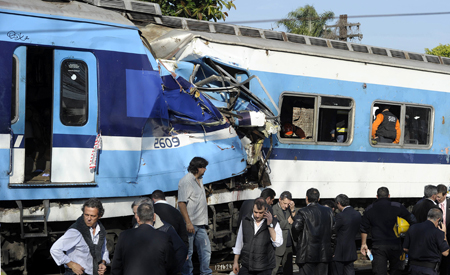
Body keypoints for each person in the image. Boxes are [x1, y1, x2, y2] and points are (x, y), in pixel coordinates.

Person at [360, 187, 417, 275]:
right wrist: (409, 240)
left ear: (377, 197)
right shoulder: (397, 206)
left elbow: (364, 228)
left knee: (379, 272)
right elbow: (413, 221)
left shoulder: (369, 209)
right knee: (396, 271)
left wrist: (363, 244)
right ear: (389, 196)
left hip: (378, 246)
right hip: (395, 244)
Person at [111, 203, 175, 275]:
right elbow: (170, 265)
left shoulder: (124, 236)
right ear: (154, 217)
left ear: (137, 218)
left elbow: (116, 266)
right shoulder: (164, 237)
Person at [50, 198, 109, 275]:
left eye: (93, 216)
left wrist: (103, 263)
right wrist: (71, 264)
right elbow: (55, 249)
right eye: (86, 215)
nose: (88, 218)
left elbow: (104, 250)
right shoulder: (75, 231)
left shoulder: (101, 230)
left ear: (100, 216)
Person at [131, 197, 187, 273]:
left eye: (138, 213)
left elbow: (181, 250)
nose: (135, 217)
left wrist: (171, 271)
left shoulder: (166, 229)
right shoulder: (135, 227)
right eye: (134, 213)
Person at [178, 157, 212, 275]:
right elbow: (181, 203)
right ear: (198, 168)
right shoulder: (186, 181)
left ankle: (206, 273)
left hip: (201, 224)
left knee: (206, 251)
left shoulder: (200, 179)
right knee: (189, 252)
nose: (205, 170)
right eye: (204, 167)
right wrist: (188, 222)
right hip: (191, 225)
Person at [233, 198, 283, 275]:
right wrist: (235, 261)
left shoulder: (274, 222)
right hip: (247, 266)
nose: (257, 215)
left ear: (266, 210)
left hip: (264, 268)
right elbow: (239, 242)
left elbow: (278, 243)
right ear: (253, 208)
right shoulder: (245, 220)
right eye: (255, 212)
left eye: (260, 213)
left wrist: (270, 225)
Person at [292, 188, 335, 275]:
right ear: (318, 199)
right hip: (324, 253)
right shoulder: (328, 211)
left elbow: (295, 227)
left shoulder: (302, 211)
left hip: (306, 253)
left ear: (306, 198)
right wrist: (332, 249)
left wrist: (298, 240)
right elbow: (333, 232)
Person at [403, 208, 449, 275]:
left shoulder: (412, 228)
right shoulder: (438, 233)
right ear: (439, 220)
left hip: (413, 268)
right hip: (429, 269)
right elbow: (445, 253)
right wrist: (444, 233)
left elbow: (405, 248)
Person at [332, 194, 362, 275]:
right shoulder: (357, 214)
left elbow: (333, 231)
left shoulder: (340, 216)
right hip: (351, 249)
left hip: (340, 251)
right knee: (350, 270)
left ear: (339, 203)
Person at [272, 191, 296, 275]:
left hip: (289, 245)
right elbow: (276, 225)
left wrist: (293, 210)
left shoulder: (290, 208)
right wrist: (288, 221)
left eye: (288, 204)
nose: (286, 206)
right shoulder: (274, 209)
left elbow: (296, 222)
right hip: (278, 245)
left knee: (288, 270)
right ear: (279, 200)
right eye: (284, 203)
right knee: (273, 270)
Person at [436, 184, 450, 274]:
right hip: (436, 235)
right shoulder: (433, 204)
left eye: (439, 197)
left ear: (445, 195)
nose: (437, 198)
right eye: (436, 196)